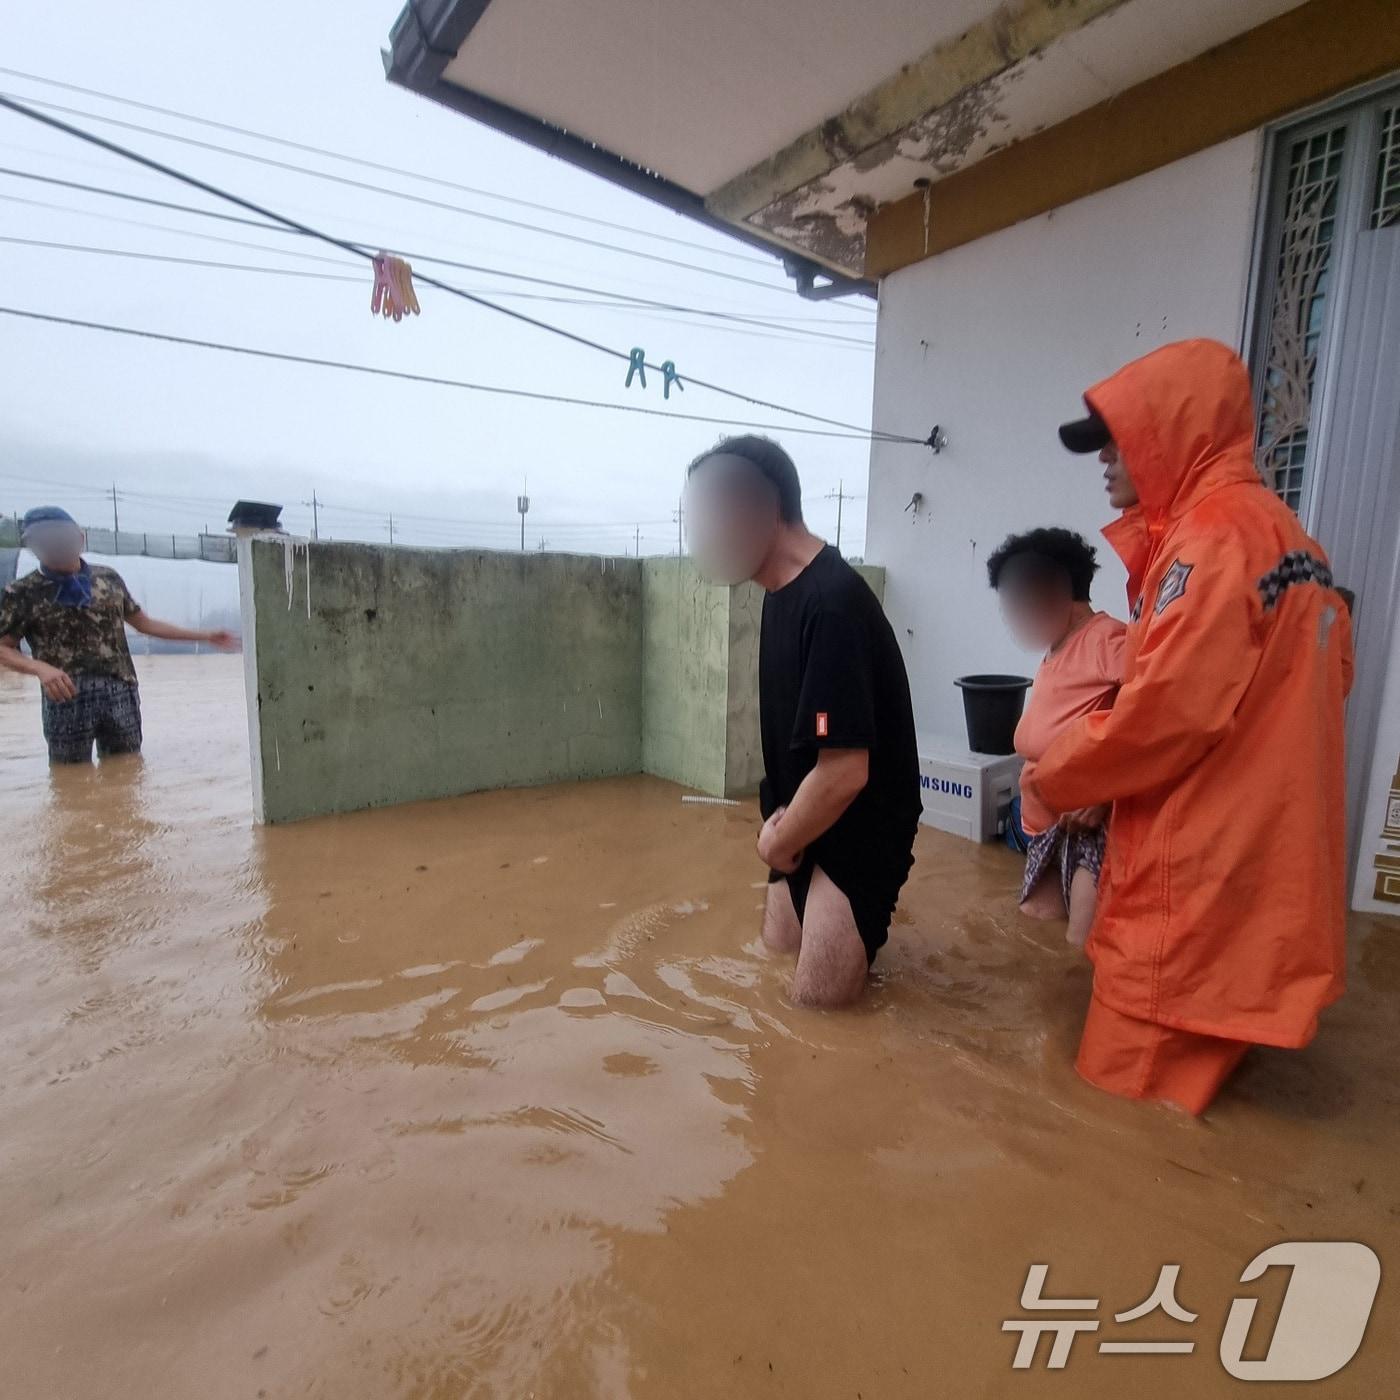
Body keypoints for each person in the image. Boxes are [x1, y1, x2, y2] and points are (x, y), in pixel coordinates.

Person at [1028, 339, 1353, 1115]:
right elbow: (1324, 689)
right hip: (1252, 908)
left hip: (1188, 907)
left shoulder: (1206, 546)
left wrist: (1049, 782)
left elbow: (1159, 721)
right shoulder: (1298, 548)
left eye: (1119, 439)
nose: (1104, 458)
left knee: (1108, 1130)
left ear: (1172, 436)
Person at [683, 436, 921, 1007]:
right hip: (802, 819)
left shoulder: (832, 602)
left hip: (857, 831)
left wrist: (774, 844)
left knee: (816, 1015)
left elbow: (845, 771)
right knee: (771, 975)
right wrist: (785, 835)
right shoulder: (778, 592)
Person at [0, 506, 237, 763]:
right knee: (69, 775)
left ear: (79, 539)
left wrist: (205, 636)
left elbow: (144, 624)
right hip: (65, 694)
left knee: (126, 769)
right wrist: (41, 669)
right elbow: (4, 647)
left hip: (119, 690)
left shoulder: (108, 578)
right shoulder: (22, 591)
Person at [986, 528, 1126, 947]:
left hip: (1091, 836)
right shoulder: (1056, 647)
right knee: (1035, 946)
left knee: (1076, 958)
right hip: (1047, 832)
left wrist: (1104, 797)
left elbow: (1163, 712)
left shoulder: (1108, 639)